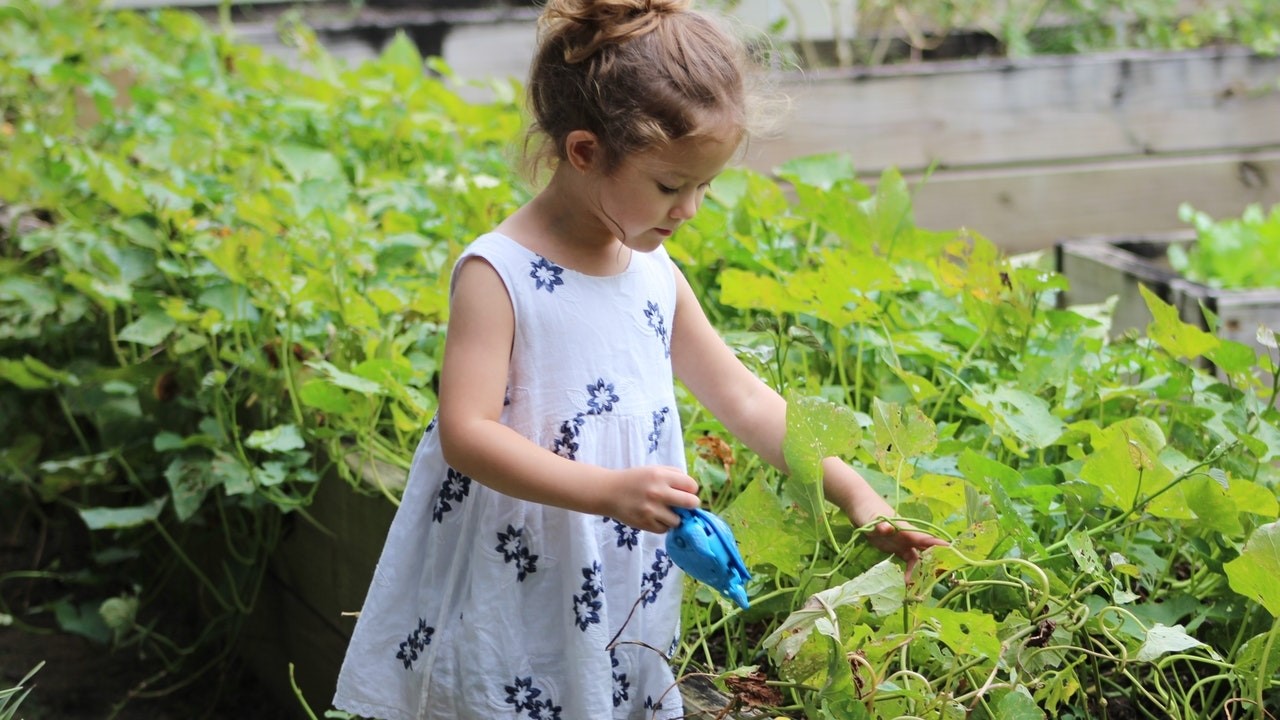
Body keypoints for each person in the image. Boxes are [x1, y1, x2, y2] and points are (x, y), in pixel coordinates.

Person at [332, 1, 945, 718]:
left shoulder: (652, 274)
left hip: (619, 567)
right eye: (669, 186)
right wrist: (606, 492)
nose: (689, 210)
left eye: (703, 186)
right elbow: (466, 434)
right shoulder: (499, 274)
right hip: (524, 556)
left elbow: (743, 399)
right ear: (585, 151)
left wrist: (856, 495)